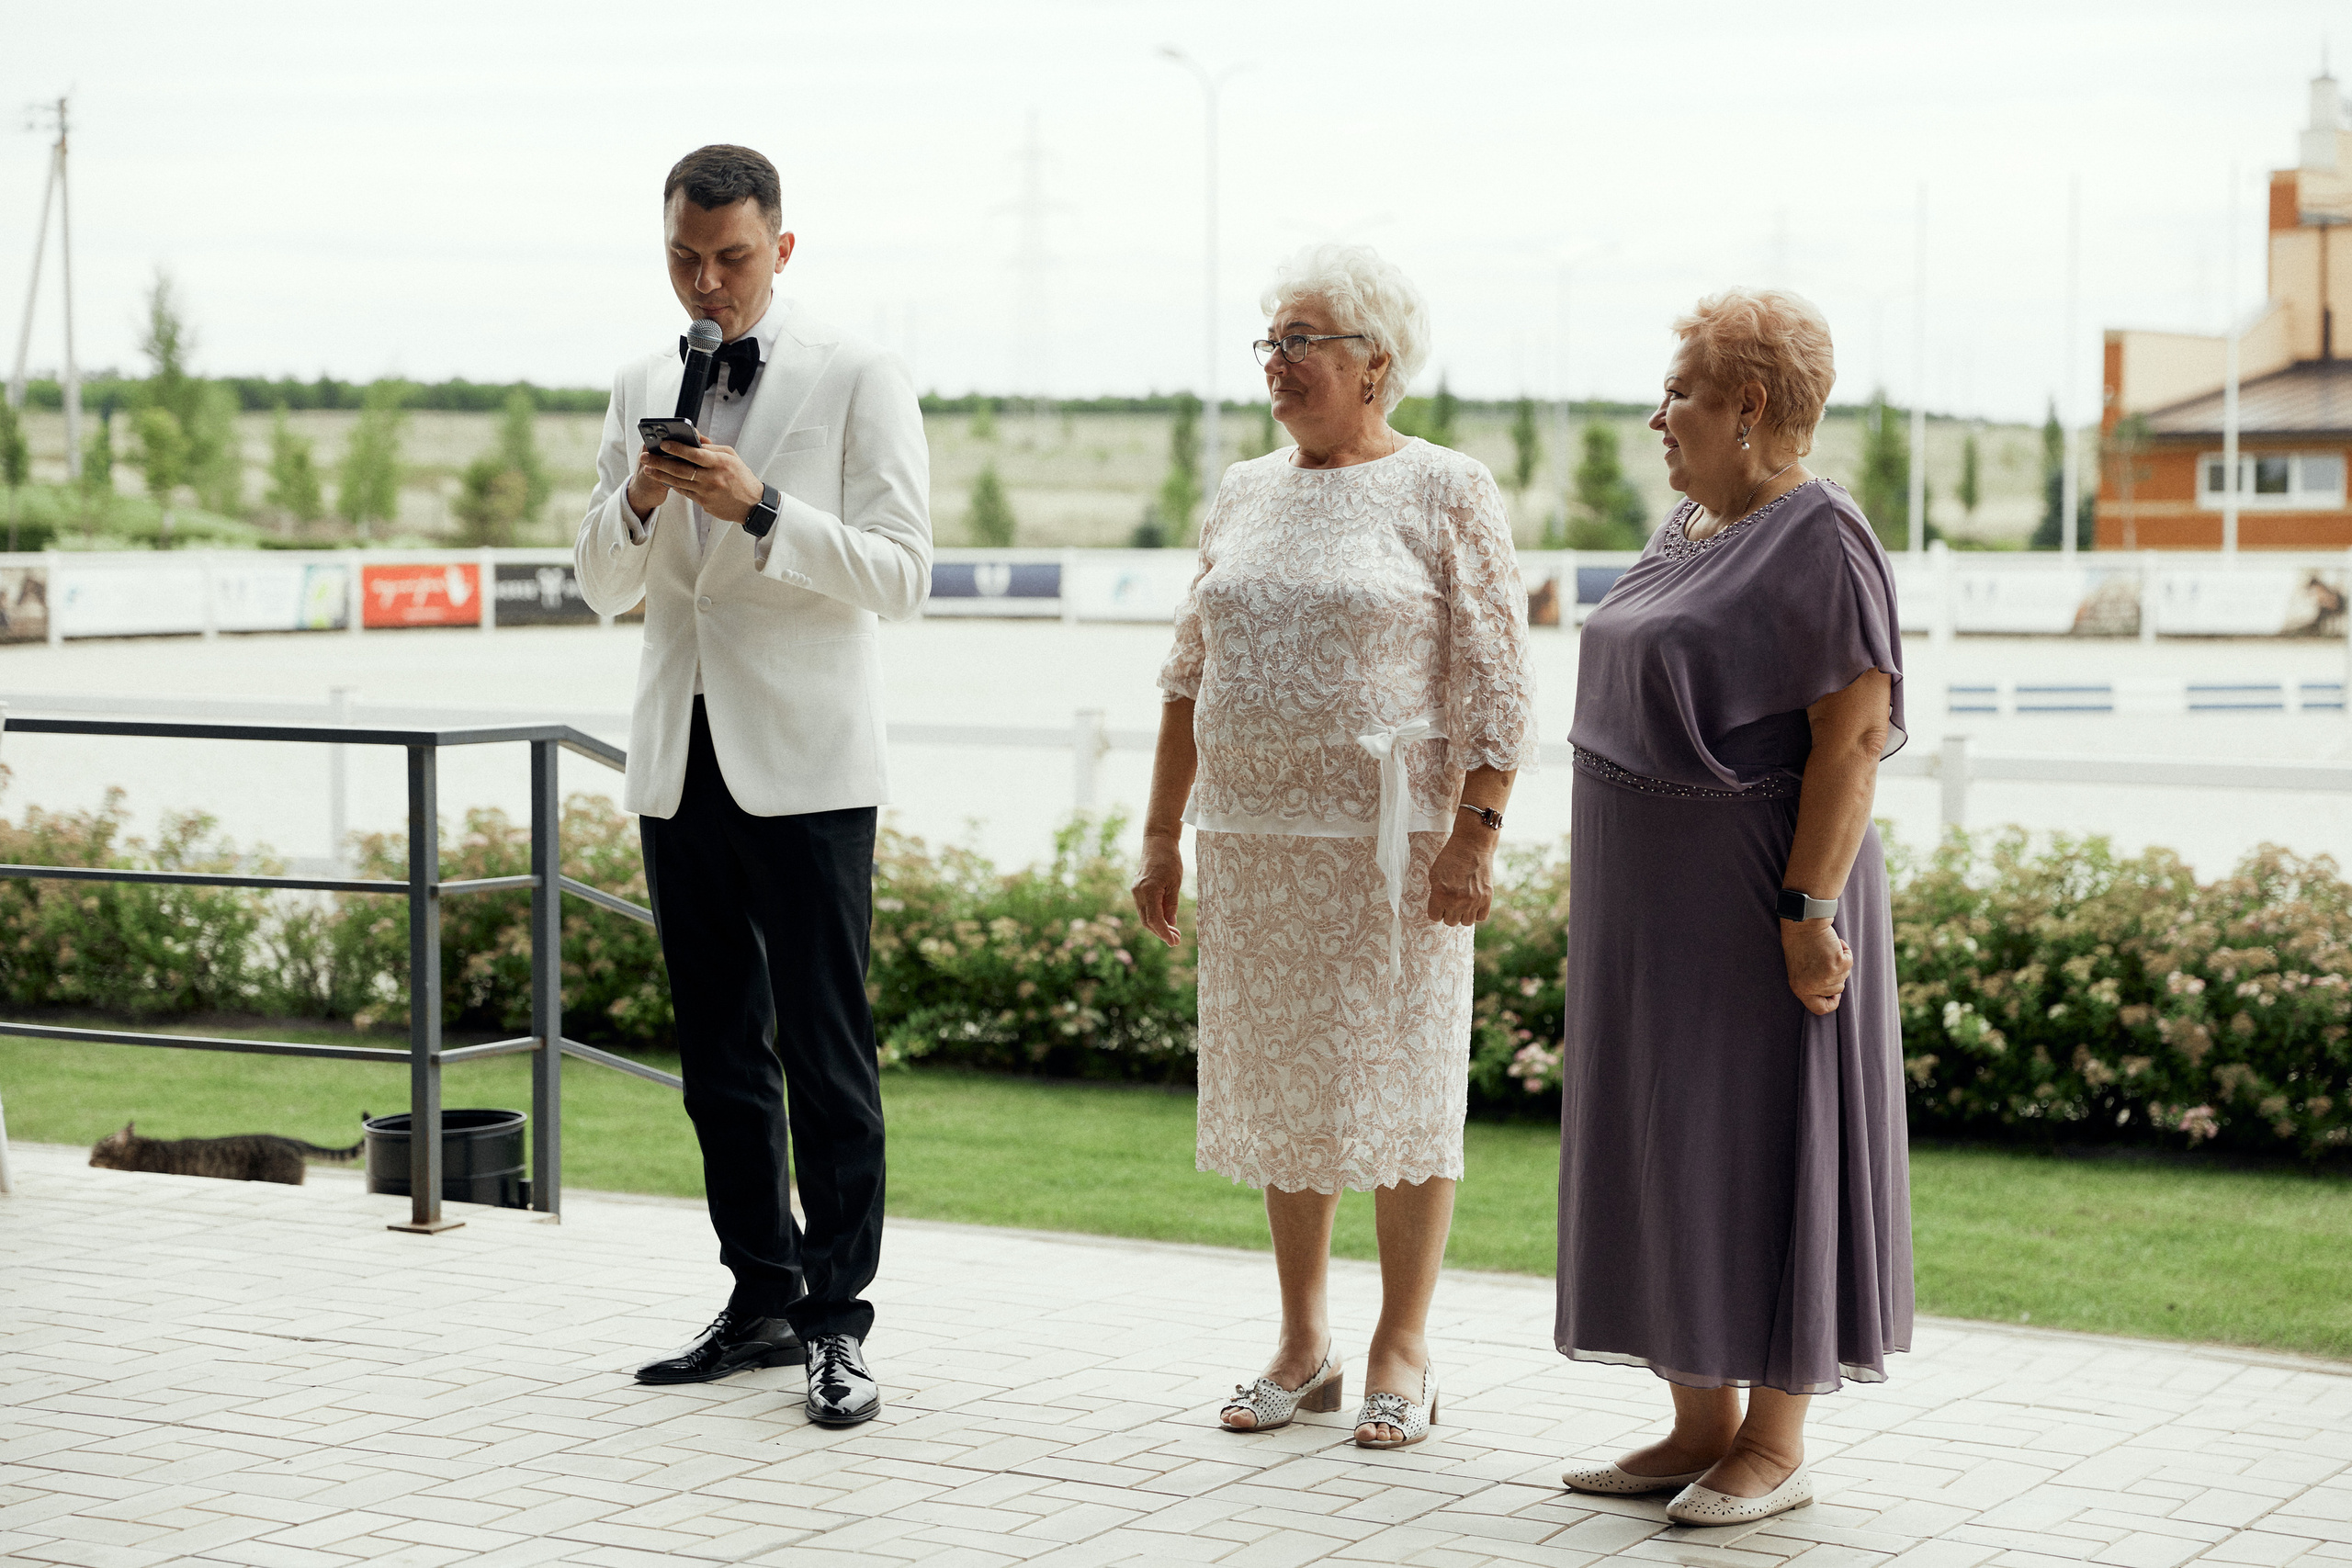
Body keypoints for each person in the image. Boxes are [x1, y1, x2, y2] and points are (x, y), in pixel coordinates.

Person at [1133, 244, 1537, 1450]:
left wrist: (1474, 832)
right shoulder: (1245, 489)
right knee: (1287, 1092)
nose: (1278, 362)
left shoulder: (1448, 489)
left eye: (1303, 339)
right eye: (1270, 340)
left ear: (1377, 363)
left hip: (1393, 853)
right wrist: (1162, 834)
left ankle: (1400, 1344)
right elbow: (1185, 674)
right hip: (1256, 851)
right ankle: (1301, 1344)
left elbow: (1501, 687)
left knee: (1406, 1087)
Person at [573, 143, 931, 1427]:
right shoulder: (634, 383)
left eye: (730, 258)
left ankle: (840, 1323)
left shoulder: (859, 371)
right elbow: (602, 586)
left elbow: (902, 573)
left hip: (812, 764)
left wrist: (762, 505)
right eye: (684, 258)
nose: (706, 283)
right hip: (683, 757)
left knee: (826, 1052)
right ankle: (762, 1297)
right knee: (720, 1058)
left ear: (784, 247)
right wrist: (636, 500)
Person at [1552, 288, 1912, 1527]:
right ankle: (1696, 1422)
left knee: (1757, 1149)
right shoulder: (1694, 524)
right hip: (1649, 929)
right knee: (1667, 1151)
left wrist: (1809, 906)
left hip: (1754, 917)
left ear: (1750, 406)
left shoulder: (1823, 537)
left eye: (1683, 395)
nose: (1660, 417)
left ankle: (1774, 1439)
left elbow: (1853, 736)